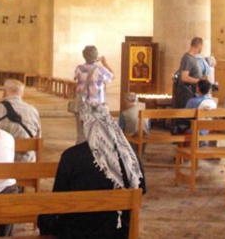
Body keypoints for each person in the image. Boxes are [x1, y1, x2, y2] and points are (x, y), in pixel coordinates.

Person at [37, 101, 146, 239]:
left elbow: (59, 197)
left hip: (78, 231)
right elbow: (141, 189)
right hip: (118, 231)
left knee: (45, 219)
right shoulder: (129, 153)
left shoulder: (72, 156)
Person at [0, 79, 41, 161]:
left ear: (4, 93)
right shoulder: (33, 111)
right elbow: (38, 138)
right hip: (26, 165)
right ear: (22, 93)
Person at [71, 45, 114, 144]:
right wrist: (105, 63)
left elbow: (76, 77)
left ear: (84, 55)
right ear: (96, 56)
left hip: (82, 105)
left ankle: (80, 155)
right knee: (98, 134)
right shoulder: (100, 70)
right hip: (97, 106)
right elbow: (112, 76)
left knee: (81, 135)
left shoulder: (79, 69)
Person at [173, 37, 205, 109]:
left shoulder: (193, 58)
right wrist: (200, 81)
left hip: (191, 94)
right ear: (199, 45)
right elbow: (184, 77)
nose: (202, 49)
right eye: (202, 46)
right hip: (186, 95)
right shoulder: (187, 58)